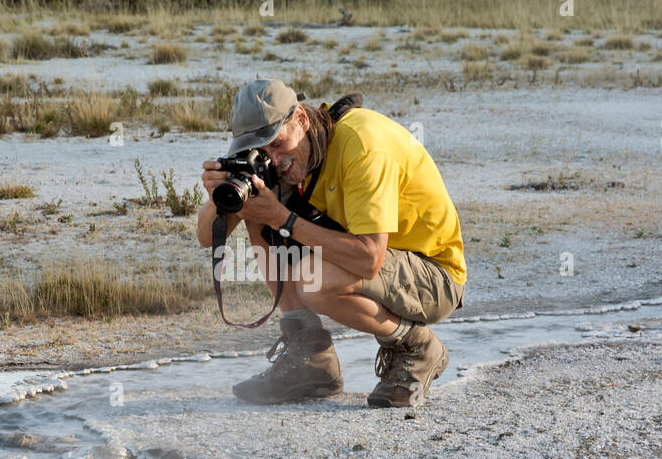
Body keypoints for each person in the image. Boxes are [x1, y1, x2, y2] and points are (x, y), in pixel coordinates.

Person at [197, 79, 467, 408]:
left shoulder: (362, 144)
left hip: (434, 275)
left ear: (301, 119)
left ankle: (417, 346)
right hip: (379, 266)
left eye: (277, 143)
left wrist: (282, 217)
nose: (274, 159)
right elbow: (205, 237)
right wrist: (219, 197)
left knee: (315, 278)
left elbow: (369, 259)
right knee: (257, 210)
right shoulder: (282, 159)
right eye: (260, 150)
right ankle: (311, 357)